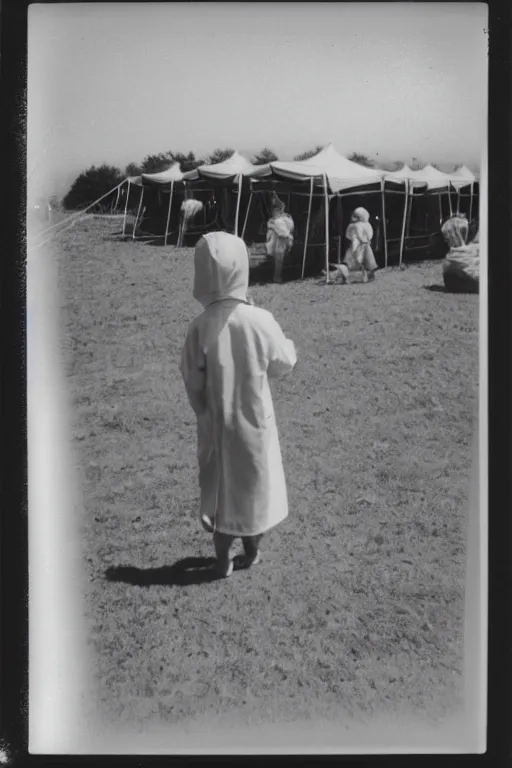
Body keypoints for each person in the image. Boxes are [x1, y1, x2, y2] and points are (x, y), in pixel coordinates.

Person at [180, 231, 297, 578]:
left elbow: (192, 377)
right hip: (256, 424)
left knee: (222, 493)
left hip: (217, 423)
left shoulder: (198, 327)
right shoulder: (260, 320)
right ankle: (252, 549)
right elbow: (283, 363)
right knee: (255, 489)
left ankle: (222, 560)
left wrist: (203, 409)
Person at [344, 207, 378, 282]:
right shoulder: (353, 225)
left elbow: (369, 233)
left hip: (363, 244)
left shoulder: (365, 224)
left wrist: (365, 239)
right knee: (357, 259)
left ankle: (368, 275)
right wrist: (354, 238)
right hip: (357, 244)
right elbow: (349, 235)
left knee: (365, 260)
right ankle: (359, 276)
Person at [266, 196, 295, 283]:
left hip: (281, 239)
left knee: (279, 258)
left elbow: (283, 232)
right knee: (278, 259)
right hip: (278, 239)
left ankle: (277, 276)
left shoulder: (280, 220)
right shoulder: (277, 220)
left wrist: (288, 236)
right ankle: (276, 276)